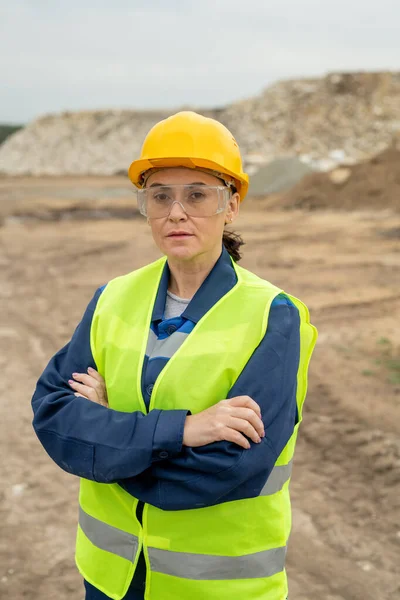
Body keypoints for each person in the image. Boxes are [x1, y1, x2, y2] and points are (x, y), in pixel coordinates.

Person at [31, 111, 318, 600]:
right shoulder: (113, 298)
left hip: (214, 589)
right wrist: (182, 431)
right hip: (112, 579)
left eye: (197, 194)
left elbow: (229, 468)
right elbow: (54, 415)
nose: (176, 212)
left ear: (232, 205)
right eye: (160, 196)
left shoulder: (273, 315)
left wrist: (110, 444)